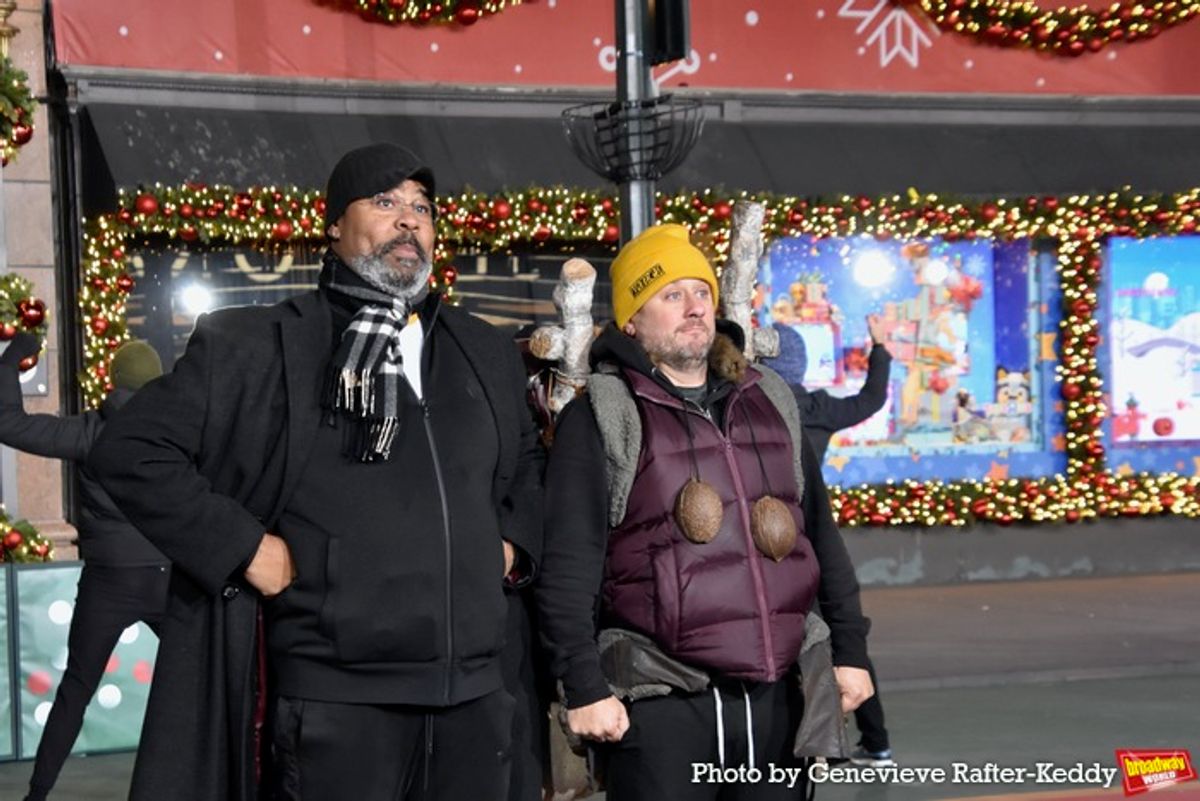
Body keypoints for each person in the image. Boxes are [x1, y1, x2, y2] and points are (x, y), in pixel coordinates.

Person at [90, 143, 544, 801]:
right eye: (385, 201)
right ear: (334, 223)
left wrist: (507, 547)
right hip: (336, 700)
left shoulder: (482, 350)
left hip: (476, 696)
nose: (408, 220)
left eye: (421, 206)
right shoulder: (261, 345)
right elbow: (130, 450)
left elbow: (528, 462)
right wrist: (243, 547)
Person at [536, 224, 874, 799]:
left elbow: (819, 537)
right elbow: (568, 566)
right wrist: (584, 686)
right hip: (663, 703)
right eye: (671, 294)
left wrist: (851, 652)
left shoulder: (769, 400)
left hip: (776, 698)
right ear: (632, 321)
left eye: (702, 292)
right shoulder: (605, 414)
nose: (694, 308)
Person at [0, 335, 170, 801]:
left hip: (108, 581)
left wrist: (12, 361)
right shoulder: (179, 430)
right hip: (169, 579)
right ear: (158, 380)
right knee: (200, 680)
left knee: (76, 689)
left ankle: (37, 794)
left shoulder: (89, 431)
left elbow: (8, 424)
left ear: (113, 382)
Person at [764, 317, 895, 768]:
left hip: (771, 544)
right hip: (815, 538)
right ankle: (874, 740)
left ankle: (813, 743)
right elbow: (872, 398)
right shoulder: (818, 409)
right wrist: (880, 347)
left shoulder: (757, 411)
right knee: (844, 640)